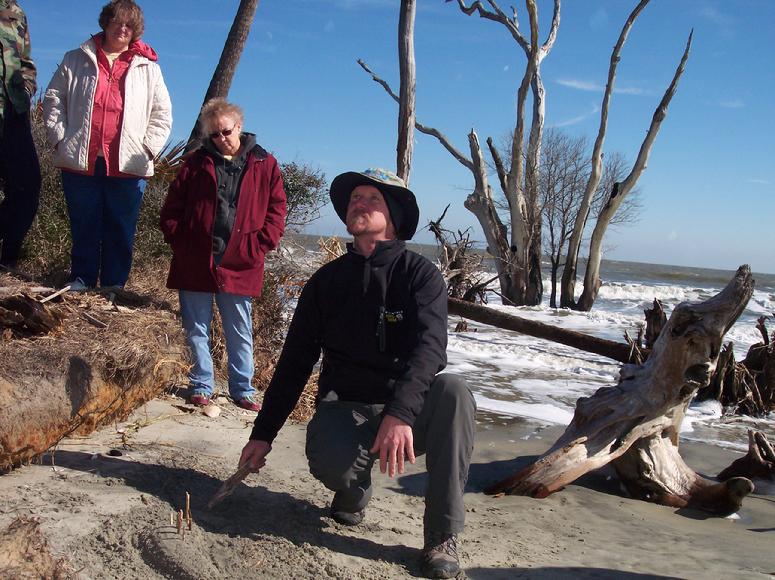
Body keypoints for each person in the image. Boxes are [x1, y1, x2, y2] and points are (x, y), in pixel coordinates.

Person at [239, 168, 476, 579]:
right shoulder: (326, 282)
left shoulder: (420, 275)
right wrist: (262, 434)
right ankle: (353, 491)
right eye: (354, 199)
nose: (358, 204)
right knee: (335, 464)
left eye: (372, 200)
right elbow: (295, 363)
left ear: (395, 218)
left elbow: (430, 350)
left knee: (454, 392)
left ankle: (441, 536)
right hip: (346, 409)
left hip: (408, 411)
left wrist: (401, 413)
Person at [159, 98, 287, 413]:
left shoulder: (264, 162)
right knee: (196, 327)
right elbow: (172, 206)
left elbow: (277, 207)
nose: (220, 139)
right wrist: (180, 240)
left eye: (225, 132)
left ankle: (242, 389)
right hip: (196, 259)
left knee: (239, 330)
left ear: (239, 127)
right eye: (213, 135)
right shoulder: (195, 162)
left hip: (241, 262)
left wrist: (261, 243)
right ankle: (202, 385)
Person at [42, 0, 172, 290]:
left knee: (121, 228)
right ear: (106, 23)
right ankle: (82, 278)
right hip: (81, 159)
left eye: (129, 24)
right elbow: (53, 98)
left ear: (135, 30)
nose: (122, 28)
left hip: (128, 163)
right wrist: (60, 139)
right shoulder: (75, 58)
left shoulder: (148, 69)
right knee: (84, 223)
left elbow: (162, 115)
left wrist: (147, 149)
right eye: (117, 22)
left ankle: (114, 285)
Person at [0, 0, 40, 269]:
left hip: (14, 109)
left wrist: (26, 88)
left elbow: (26, 60)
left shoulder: (15, 10)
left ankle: (7, 258)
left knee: (28, 184)